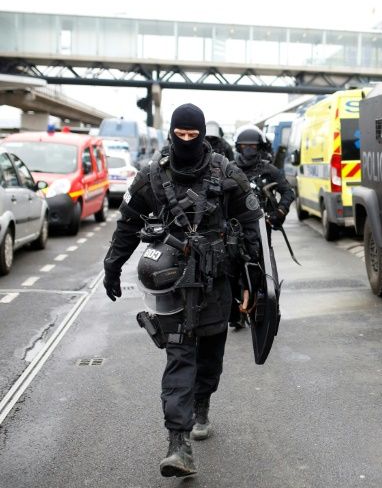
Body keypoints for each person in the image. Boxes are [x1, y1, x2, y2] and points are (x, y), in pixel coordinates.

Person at [102, 103, 263, 478]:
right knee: (179, 359)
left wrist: (252, 283)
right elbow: (127, 224)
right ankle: (178, 443)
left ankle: (202, 405)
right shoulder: (152, 178)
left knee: (210, 357)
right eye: (181, 134)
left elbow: (252, 229)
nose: (186, 141)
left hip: (217, 282)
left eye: (193, 135)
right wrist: (112, 267)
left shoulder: (227, 173)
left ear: (202, 134)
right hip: (172, 285)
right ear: (172, 133)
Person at [228, 126, 295, 330]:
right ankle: (235, 311)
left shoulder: (269, 170)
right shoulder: (229, 168)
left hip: (260, 229)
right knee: (231, 268)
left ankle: (270, 307)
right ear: (238, 147)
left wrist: (277, 214)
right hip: (234, 229)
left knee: (264, 268)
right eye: (244, 146)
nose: (248, 150)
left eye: (253, 146)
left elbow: (288, 192)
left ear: (260, 147)